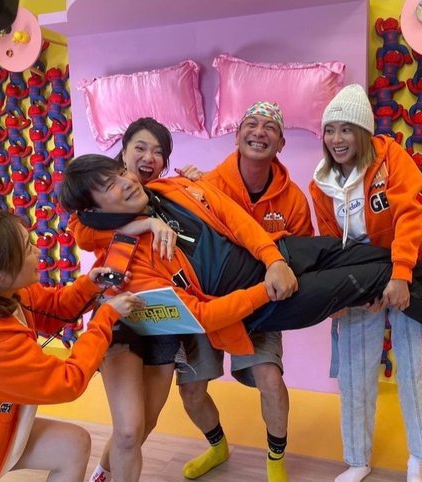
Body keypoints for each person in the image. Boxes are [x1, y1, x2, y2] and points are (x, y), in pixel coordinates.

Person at [60, 154, 422, 356]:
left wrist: (273, 258)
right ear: (94, 207)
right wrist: (266, 286)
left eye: (120, 173)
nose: (126, 182)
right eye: (109, 186)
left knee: (383, 256)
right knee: (380, 276)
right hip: (259, 300)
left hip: (275, 255)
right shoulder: (124, 261)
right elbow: (202, 317)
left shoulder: (168, 188)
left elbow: (236, 218)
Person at [0, 208, 143, 482]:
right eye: (27, 249)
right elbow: (67, 381)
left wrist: (88, 287)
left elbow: (51, 308)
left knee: (72, 445)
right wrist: (105, 318)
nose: (38, 252)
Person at [177, 101, 313, 482]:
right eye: (251, 124)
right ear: (236, 136)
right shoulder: (206, 186)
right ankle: (217, 447)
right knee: (191, 390)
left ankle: (275, 461)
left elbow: (303, 256)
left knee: (271, 381)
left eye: (270, 127)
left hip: (258, 306)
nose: (259, 132)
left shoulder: (294, 200)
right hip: (206, 302)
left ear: (281, 143)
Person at [309, 83, 422, 482]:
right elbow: (332, 244)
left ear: (363, 132)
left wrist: (400, 274)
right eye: (330, 130)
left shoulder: (391, 157)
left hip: (405, 272)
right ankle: (357, 459)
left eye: (346, 129)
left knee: (414, 367)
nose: (336, 139)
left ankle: (418, 457)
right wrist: (347, 294)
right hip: (358, 280)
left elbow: (409, 215)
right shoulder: (320, 182)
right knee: (354, 373)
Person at [79, 118, 201, 482]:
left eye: (159, 152)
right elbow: (84, 233)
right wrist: (145, 224)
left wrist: (198, 182)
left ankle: (103, 473)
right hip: (119, 313)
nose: (149, 157)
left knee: (145, 423)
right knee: (129, 430)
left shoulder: (166, 195)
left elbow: (210, 214)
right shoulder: (102, 194)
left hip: (165, 316)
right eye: (141, 148)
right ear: (123, 151)